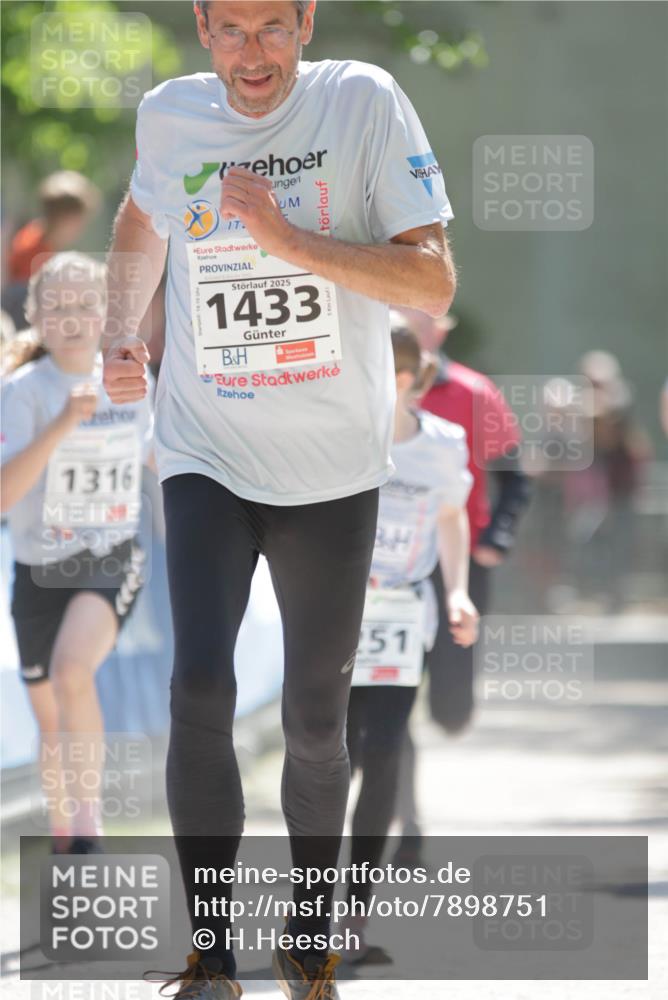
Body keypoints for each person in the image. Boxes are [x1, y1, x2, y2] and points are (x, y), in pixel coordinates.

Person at [102, 1, 456, 996]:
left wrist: (284, 237)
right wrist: (124, 329)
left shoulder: (363, 101)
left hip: (332, 464)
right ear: (201, 27)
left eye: (271, 27)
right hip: (204, 445)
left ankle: (307, 934)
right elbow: (140, 215)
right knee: (198, 688)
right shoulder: (170, 114)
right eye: (230, 29)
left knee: (313, 718)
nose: (250, 54)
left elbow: (431, 282)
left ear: (305, 21)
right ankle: (210, 953)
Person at [0, 252, 153, 854]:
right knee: (50, 718)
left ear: (106, 313)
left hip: (110, 553)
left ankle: (89, 826)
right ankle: (66, 838)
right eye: (58, 305)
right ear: (36, 316)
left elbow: (162, 459)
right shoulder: (23, 392)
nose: (72, 316)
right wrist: (65, 421)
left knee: (72, 671)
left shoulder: (129, 381)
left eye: (86, 304)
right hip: (38, 566)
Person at [341, 317, 477, 965]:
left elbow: (451, 516)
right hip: (335, 619)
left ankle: (354, 918)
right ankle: (310, 908)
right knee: (329, 757)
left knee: (385, 751)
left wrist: (457, 592)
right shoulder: (338, 439)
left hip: (400, 621)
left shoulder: (443, 445)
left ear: (401, 378)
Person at [391, 308, 531, 866]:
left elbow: (514, 477)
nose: (409, 327)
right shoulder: (368, 391)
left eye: (420, 319)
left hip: (459, 563)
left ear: (441, 331)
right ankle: (406, 821)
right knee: (393, 696)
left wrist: (497, 537)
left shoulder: (475, 393)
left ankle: (444, 709)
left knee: (450, 711)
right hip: (392, 568)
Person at [4, 172, 101, 329]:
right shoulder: (34, 251)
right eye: (80, 219)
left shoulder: (36, 235)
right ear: (67, 219)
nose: (81, 227)